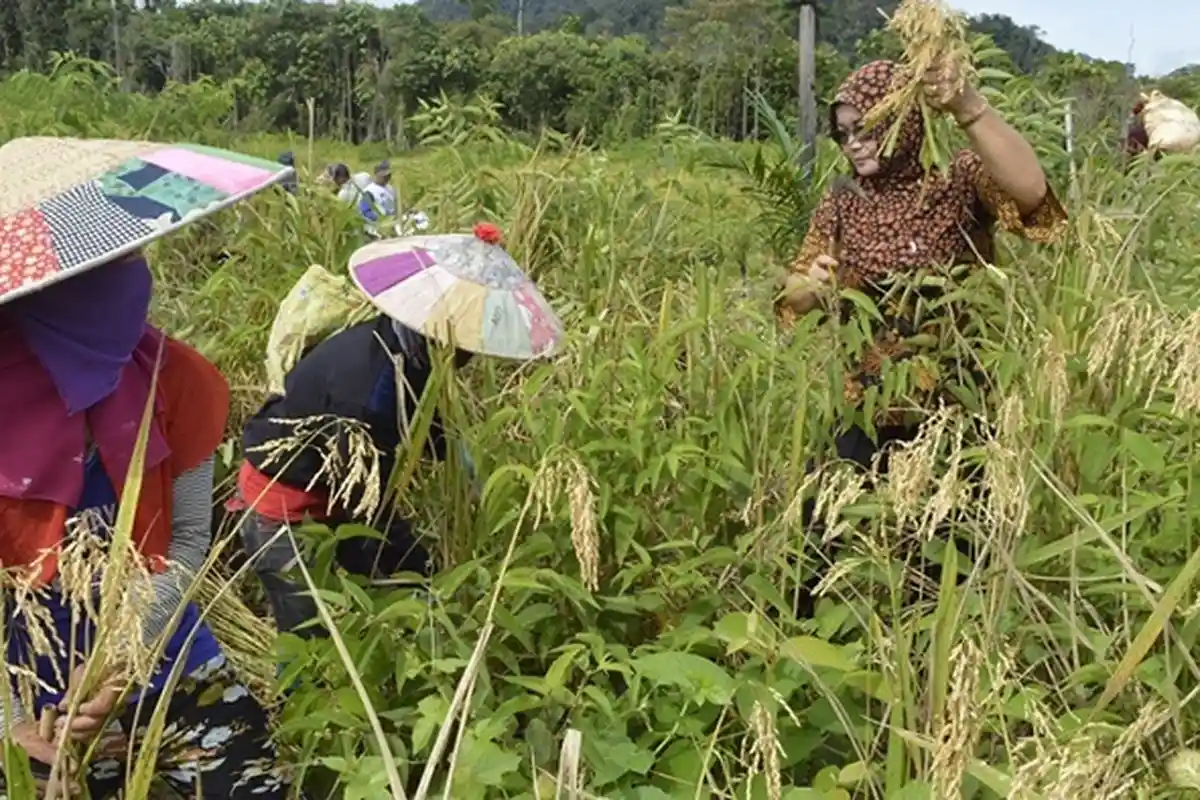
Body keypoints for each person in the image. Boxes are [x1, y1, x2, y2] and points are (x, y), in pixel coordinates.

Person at [0, 256, 291, 798]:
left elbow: (185, 541)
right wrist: (9, 721)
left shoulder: (170, 376)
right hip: (38, 699)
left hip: (169, 657)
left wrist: (122, 662)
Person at [234, 225, 563, 638]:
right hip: (281, 508)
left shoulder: (405, 348)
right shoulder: (369, 390)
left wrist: (463, 467)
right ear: (439, 332)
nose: (471, 357)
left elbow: (426, 422)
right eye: (466, 347)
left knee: (373, 591)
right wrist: (419, 569)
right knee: (307, 636)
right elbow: (366, 503)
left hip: (334, 492)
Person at [777, 59, 1067, 472]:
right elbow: (797, 286)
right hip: (867, 410)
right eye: (843, 135)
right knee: (832, 530)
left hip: (955, 410)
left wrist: (967, 106)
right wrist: (809, 285)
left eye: (865, 128)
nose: (852, 144)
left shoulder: (957, 181)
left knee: (949, 531)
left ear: (901, 119)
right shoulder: (844, 199)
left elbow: (1033, 195)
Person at [358, 160, 398, 226]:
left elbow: (393, 204)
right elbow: (365, 212)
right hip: (379, 225)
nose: (387, 178)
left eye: (388, 175)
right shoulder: (369, 191)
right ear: (376, 174)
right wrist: (379, 217)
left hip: (394, 222)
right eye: (384, 176)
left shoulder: (390, 188)